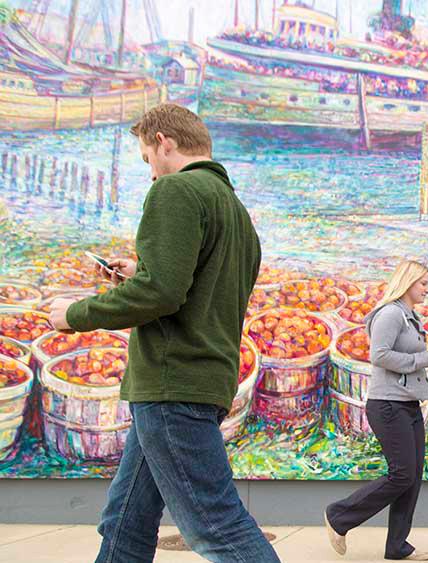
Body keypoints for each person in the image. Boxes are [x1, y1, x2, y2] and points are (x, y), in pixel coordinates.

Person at [47, 103, 279, 562]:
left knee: (215, 527)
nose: (149, 170)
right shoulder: (234, 211)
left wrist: (74, 313)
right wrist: (140, 273)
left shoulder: (174, 190)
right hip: (201, 380)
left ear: (164, 143)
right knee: (125, 522)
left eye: (146, 157)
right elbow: (198, 287)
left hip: (173, 383)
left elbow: (162, 294)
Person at [324, 260, 428, 561]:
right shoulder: (391, 314)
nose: (427, 290)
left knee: (413, 476)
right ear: (407, 284)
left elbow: (408, 357)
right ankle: (339, 516)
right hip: (388, 405)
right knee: (402, 474)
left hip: (408, 404)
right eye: (423, 284)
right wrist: (425, 358)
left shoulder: (410, 317)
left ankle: (397, 546)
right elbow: (378, 356)